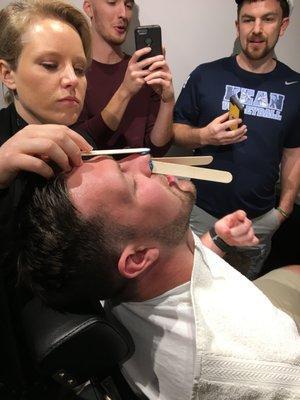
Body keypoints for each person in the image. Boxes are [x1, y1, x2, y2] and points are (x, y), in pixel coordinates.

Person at [18, 153, 300, 399]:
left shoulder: (119, 277)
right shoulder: (265, 364)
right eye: (132, 183)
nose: (144, 159)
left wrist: (215, 241)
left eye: (120, 162)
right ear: (138, 259)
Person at [0, 0, 94, 396]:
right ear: (8, 74)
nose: (72, 79)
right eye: (50, 65)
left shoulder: (84, 150)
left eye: (80, 68)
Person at [172, 0, 300, 279]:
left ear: (283, 25)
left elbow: (294, 152)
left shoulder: (295, 88)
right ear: (237, 25)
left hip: (257, 221)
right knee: (191, 287)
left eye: (267, 19)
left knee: (242, 297)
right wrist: (203, 135)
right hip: (201, 214)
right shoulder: (206, 75)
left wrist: (284, 210)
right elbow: (175, 130)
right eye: (247, 19)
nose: (256, 29)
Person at [74, 0, 174, 155]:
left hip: (141, 175)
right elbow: (79, 144)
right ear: (89, 8)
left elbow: (157, 150)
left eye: (128, 6)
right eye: (112, 2)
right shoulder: (75, 72)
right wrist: (125, 91)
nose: (123, 14)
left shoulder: (143, 70)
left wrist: (167, 101)